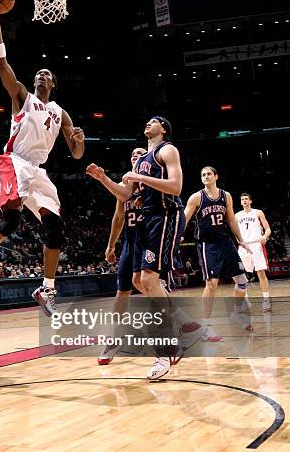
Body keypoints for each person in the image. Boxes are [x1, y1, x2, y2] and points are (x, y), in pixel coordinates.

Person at [0, 0, 85, 317]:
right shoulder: (21, 95)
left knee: (56, 229)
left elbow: (76, 154)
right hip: (13, 161)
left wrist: (79, 141)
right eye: (39, 74)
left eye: (47, 74)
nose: (42, 76)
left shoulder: (60, 112)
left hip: (38, 172)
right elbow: (2, 65)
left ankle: (47, 288)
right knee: (12, 221)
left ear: (54, 84)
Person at [87, 116, 201, 380]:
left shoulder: (167, 150)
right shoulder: (142, 161)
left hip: (164, 214)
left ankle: (166, 350)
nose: (147, 124)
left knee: (149, 280)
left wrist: (139, 176)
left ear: (164, 129)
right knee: (139, 281)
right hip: (146, 222)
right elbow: (127, 196)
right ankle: (184, 325)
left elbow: (176, 186)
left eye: (154, 122)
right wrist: (104, 178)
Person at [86, 146, 147, 365]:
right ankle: (114, 338)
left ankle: (174, 324)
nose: (135, 156)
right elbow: (118, 217)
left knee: (145, 283)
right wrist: (111, 246)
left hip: (149, 240)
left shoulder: (152, 181)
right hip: (130, 242)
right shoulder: (123, 186)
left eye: (140, 154)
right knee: (122, 292)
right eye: (132, 154)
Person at [184, 167, 254, 337]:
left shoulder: (226, 196)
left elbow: (230, 218)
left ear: (216, 176)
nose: (206, 176)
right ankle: (206, 326)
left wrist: (240, 240)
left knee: (243, 281)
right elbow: (184, 219)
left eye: (209, 174)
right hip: (208, 245)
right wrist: (176, 237)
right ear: (201, 179)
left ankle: (237, 313)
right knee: (212, 284)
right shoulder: (196, 197)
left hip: (226, 242)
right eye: (203, 175)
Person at [235, 193, 272, 312]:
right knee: (240, 275)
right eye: (242, 199)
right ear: (240, 202)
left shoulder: (258, 212)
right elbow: (235, 232)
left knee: (261, 273)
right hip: (243, 246)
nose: (244, 201)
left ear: (250, 201)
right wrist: (239, 241)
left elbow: (268, 229)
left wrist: (265, 237)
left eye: (246, 199)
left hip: (256, 244)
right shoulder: (237, 215)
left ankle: (266, 301)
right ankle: (246, 302)